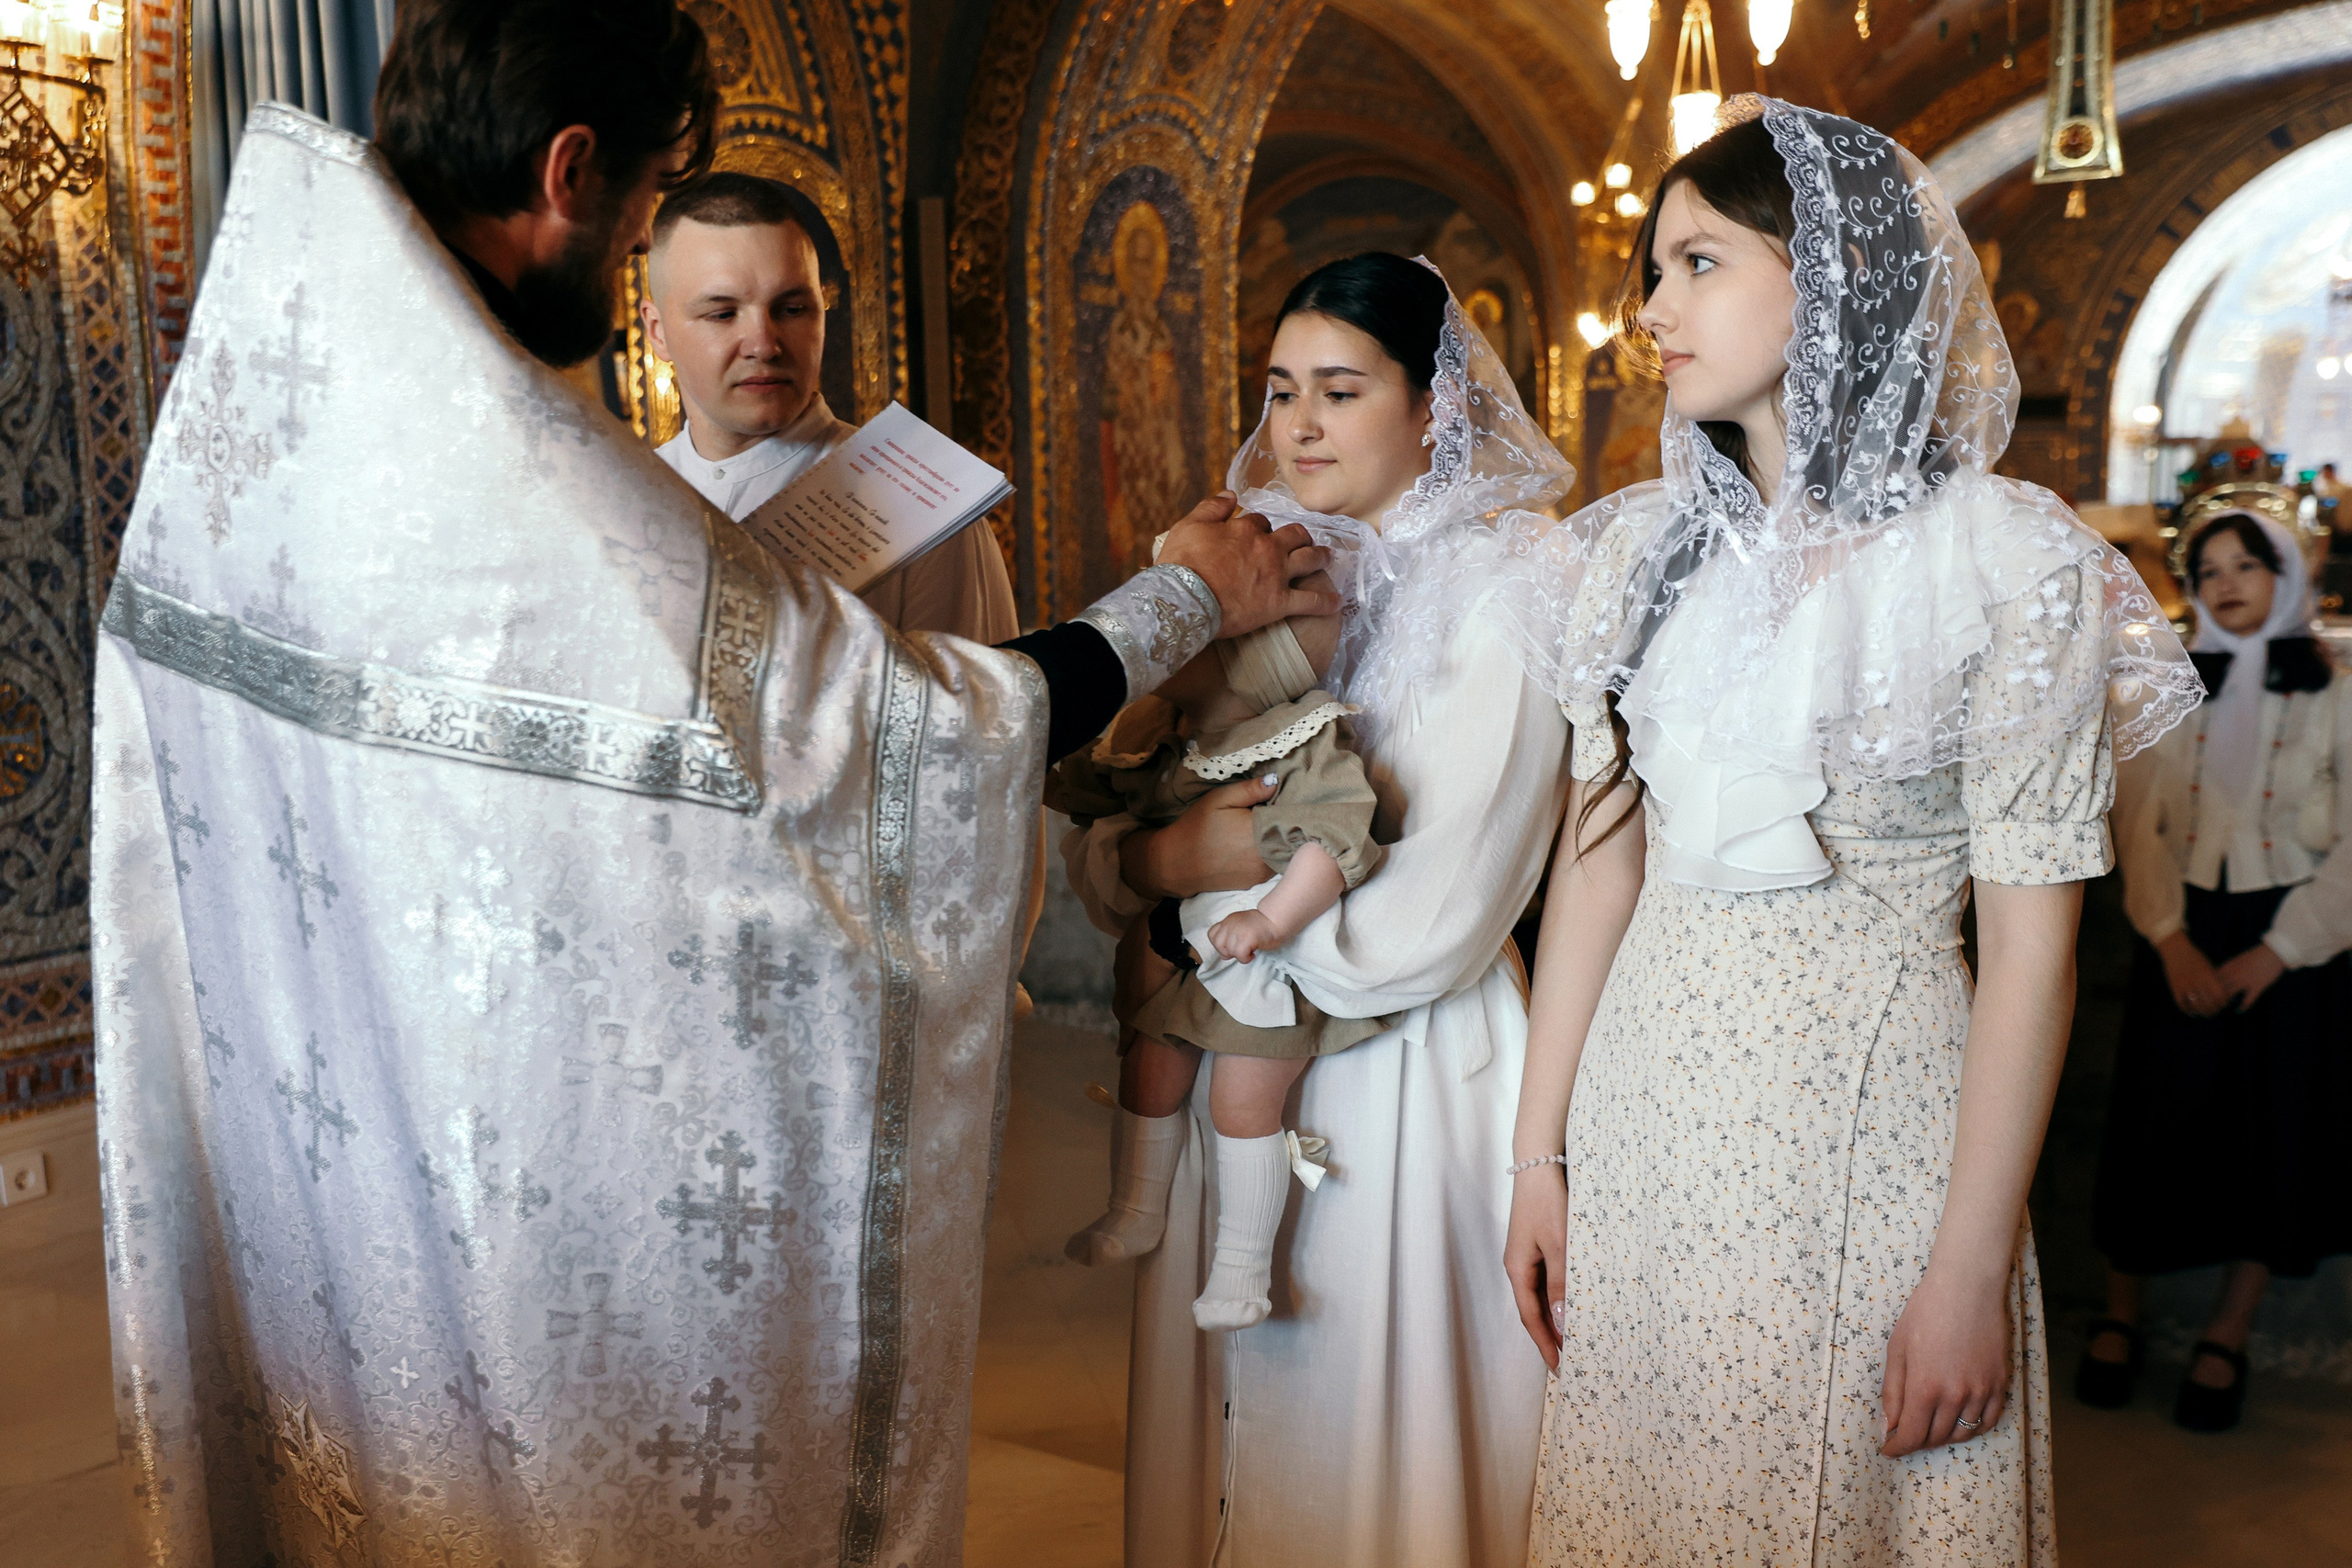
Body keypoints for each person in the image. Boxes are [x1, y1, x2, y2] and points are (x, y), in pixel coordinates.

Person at [90, 3, 1333, 1563]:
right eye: (639, 230)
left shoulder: (280, 416)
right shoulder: (528, 473)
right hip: (529, 1161)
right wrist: (1177, 605)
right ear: (571, 173)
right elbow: (894, 744)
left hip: (344, 1148)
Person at [1503, 97, 2199, 1563]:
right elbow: (1598, 863)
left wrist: (1964, 1267)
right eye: (1650, 272)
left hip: (1875, 1125)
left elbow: (2029, 952)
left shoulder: (2006, 561)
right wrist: (1539, 1158)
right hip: (1646, 1110)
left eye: (1696, 262)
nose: (1651, 311)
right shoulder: (1631, 556)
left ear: (1829, 278)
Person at [1065, 252, 1577, 1566]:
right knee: (1229, 1403)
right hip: (1236, 1021)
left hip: (1396, 1052)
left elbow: (1440, 911)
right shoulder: (1244, 563)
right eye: (1282, 387)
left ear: (1434, 409)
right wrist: (1168, 862)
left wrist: (1184, 886)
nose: (1296, 424)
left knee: (1361, 1416)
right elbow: (1107, 833)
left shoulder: (1511, 582)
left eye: (1341, 390)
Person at [2081, 510, 2352, 1431]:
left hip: (2294, 940)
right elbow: (2138, 823)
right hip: (2185, 928)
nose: (2228, 581)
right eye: (2210, 568)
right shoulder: (2164, 690)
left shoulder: (2337, 693)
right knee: (2151, 1124)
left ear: (2287, 576)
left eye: (2250, 564)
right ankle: (2120, 1315)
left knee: (2273, 1135)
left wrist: (2281, 950)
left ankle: (2226, 1333)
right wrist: (2165, 935)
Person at [1050, 607, 1391, 1332]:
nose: (1159, 645)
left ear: (1247, 659)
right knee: (1150, 1066)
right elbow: (1092, 804)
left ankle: (1242, 1266)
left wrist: (1272, 919)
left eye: (1189, 633)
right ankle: (1136, 1206)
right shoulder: (1162, 735)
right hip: (1184, 937)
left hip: (1268, 944)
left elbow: (1333, 840)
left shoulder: (1300, 736)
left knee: (1242, 1096)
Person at [641, 170, 1018, 642]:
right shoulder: (628, 498)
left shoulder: (921, 500)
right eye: (722, 314)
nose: (763, 344)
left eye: (792, 309)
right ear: (657, 331)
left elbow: (977, 713)